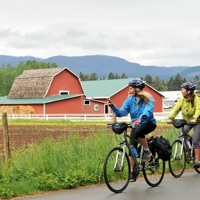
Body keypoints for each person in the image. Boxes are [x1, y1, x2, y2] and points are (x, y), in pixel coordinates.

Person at [108, 78, 157, 181]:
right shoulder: (130, 100)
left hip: (148, 123)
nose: (129, 91)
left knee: (139, 132)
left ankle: (147, 151)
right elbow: (122, 112)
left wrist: (141, 119)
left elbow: (148, 111)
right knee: (131, 147)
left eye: (131, 88)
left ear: (137, 89)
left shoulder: (148, 98)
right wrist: (113, 107)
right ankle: (132, 172)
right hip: (135, 125)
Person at [167, 82, 200, 167]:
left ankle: (197, 160)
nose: (181, 91)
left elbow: (198, 109)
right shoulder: (182, 99)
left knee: (196, 140)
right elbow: (176, 109)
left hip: (197, 121)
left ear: (188, 91)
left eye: (183, 89)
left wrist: (195, 118)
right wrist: (171, 117)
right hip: (187, 121)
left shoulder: (197, 99)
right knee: (183, 132)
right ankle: (189, 145)